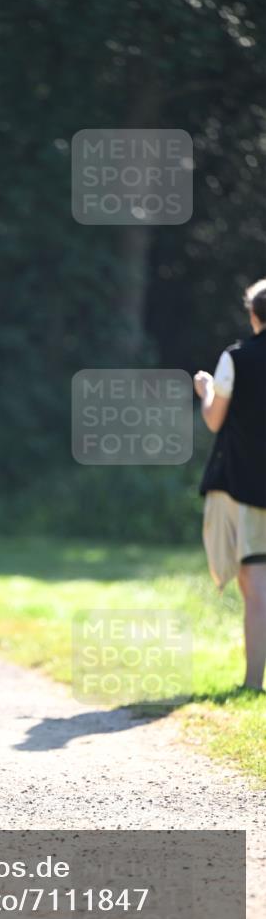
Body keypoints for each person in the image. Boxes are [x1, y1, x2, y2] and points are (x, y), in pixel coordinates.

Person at [194, 278, 266, 691]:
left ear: (254, 314)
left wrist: (206, 390)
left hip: (247, 485)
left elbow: (214, 420)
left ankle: (254, 683)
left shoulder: (236, 359)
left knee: (255, 585)